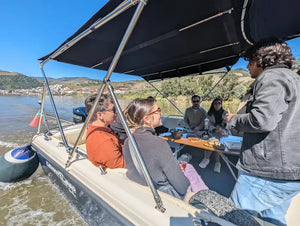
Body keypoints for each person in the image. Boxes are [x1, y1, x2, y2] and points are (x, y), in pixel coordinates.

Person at [226, 40, 300, 225]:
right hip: (288, 169)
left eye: (249, 61)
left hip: (266, 170)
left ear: (260, 60)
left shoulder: (271, 78)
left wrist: (233, 119)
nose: (248, 67)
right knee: (272, 219)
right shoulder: (294, 79)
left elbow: (261, 120)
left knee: (232, 218)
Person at [123, 98, 208, 199]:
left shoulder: (128, 142)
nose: (161, 113)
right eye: (158, 111)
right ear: (147, 119)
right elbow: (182, 187)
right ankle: (207, 202)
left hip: (142, 193)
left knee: (185, 167)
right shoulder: (159, 144)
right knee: (189, 169)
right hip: (164, 197)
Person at [85, 94, 125, 170]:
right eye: (113, 110)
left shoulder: (102, 128)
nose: (117, 112)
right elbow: (121, 166)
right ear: (100, 115)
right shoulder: (102, 140)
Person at [199, 98, 229, 173]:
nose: (217, 105)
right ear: (213, 105)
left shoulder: (226, 113)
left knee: (217, 141)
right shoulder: (209, 114)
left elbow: (230, 125)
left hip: (223, 132)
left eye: (219, 103)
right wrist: (214, 130)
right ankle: (209, 159)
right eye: (215, 103)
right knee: (212, 140)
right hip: (213, 132)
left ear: (221, 104)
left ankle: (215, 162)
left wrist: (223, 126)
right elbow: (208, 125)